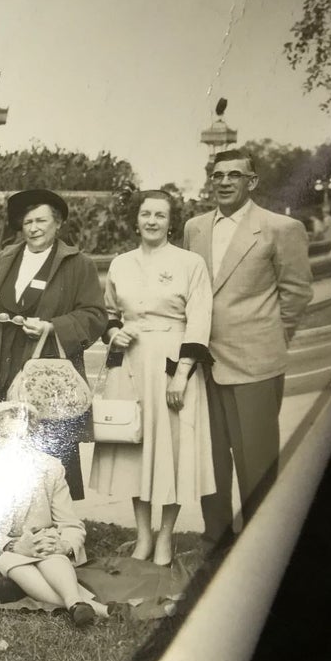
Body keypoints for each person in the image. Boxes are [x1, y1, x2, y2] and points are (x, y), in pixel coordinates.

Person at [183, 150, 313, 548]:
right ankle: (216, 540)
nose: (224, 182)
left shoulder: (280, 228)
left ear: (251, 182)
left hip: (256, 363)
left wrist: (271, 338)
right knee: (211, 461)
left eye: (234, 175)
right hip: (204, 365)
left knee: (256, 463)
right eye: (218, 175)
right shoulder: (194, 228)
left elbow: (296, 293)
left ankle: (260, 546)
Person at [89, 191, 215, 566]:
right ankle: (143, 537)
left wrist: (182, 374)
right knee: (135, 449)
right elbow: (109, 313)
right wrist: (113, 333)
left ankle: (165, 538)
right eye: (146, 214)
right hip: (129, 365)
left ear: (171, 221)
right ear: (136, 219)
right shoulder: (121, 263)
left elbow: (200, 318)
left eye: (160, 215)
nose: (152, 221)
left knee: (170, 451)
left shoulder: (189, 263)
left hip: (172, 363)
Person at [0, 189, 107, 499]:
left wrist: (53, 326)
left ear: (58, 223)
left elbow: (94, 316)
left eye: (41, 221)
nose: (34, 228)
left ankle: (50, 523)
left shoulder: (77, 264)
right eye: (27, 222)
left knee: (46, 445)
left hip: (45, 369)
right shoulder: (3, 259)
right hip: (1, 364)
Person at [0, 401, 108, 627]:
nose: (14, 445)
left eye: (21, 438)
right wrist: (12, 545)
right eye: (7, 437)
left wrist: (63, 546)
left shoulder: (50, 467)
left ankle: (75, 604)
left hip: (43, 545)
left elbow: (70, 523)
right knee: (14, 561)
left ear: (32, 436)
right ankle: (95, 608)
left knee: (52, 556)